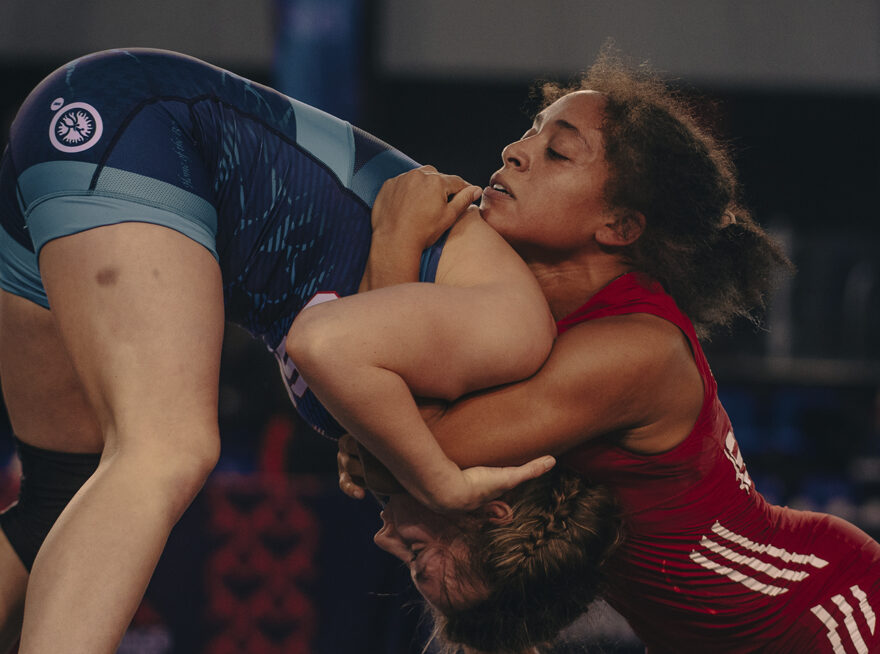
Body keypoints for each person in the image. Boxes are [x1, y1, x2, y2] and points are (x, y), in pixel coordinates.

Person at [338, 51, 880, 653]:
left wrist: (393, 244)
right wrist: (383, 438)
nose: (514, 152)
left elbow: (403, 451)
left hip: (828, 618)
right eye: (529, 133)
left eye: (557, 151)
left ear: (618, 227)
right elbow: (397, 440)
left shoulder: (637, 351)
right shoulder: (517, 305)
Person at [0, 47, 559, 654]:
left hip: (90, 155)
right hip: (137, 130)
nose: (385, 544)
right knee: (167, 448)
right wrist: (436, 482)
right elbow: (321, 340)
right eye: (419, 553)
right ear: (487, 513)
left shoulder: (421, 423)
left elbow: (357, 330)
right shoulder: (511, 338)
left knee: (60, 494)